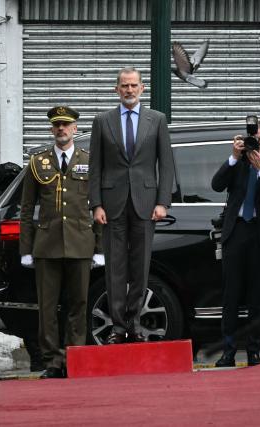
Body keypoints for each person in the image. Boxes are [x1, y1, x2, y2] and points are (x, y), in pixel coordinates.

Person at [88, 67, 174, 344]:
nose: (129, 90)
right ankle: (116, 327)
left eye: (133, 85)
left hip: (146, 204)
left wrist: (163, 202)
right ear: (116, 89)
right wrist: (96, 204)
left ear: (142, 88)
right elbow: (95, 167)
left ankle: (135, 324)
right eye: (124, 85)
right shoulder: (103, 121)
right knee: (115, 268)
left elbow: (166, 163)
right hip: (112, 205)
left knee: (141, 267)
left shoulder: (157, 120)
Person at [20, 106, 102, 379]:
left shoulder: (89, 161)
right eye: (57, 125)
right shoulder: (37, 161)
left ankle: (75, 357)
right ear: (51, 129)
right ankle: (53, 362)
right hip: (47, 244)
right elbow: (26, 208)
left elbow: (98, 207)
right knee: (48, 307)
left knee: (78, 303)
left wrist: (99, 248)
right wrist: (26, 249)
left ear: (76, 129)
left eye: (66, 125)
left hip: (80, 242)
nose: (61, 129)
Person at [210, 122, 260, 367]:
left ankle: (253, 352)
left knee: (256, 297)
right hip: (236, 231)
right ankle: (228, 352)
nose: (256, 145)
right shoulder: (237, 163)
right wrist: (233, 156)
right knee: (231, 296)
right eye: (253, 139)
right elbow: (216, 185)